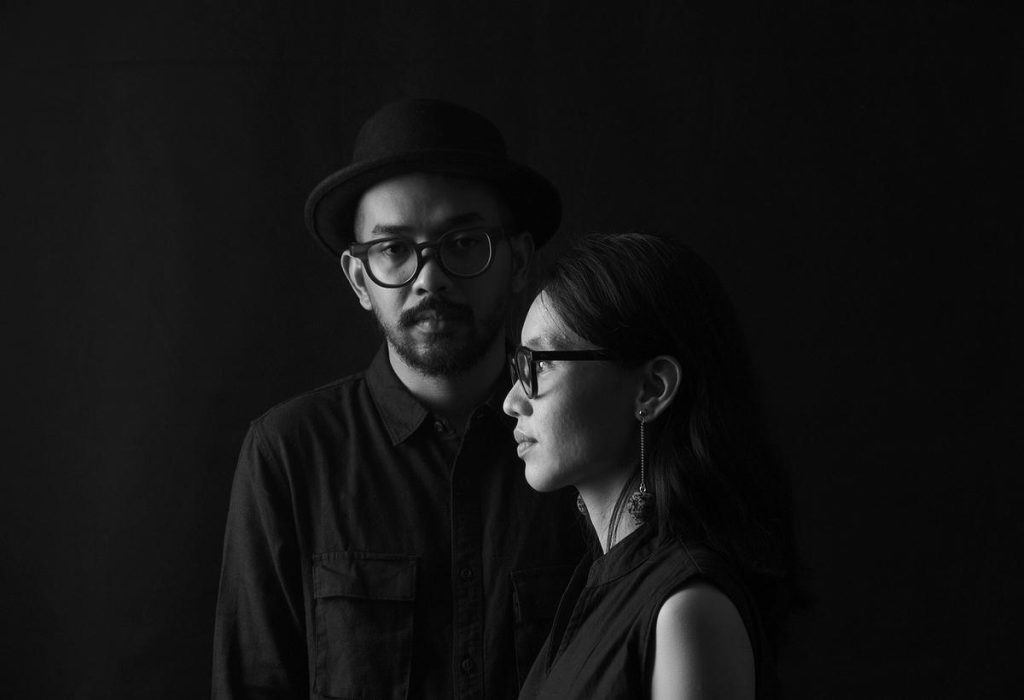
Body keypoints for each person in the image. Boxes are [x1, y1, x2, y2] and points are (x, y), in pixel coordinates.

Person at [212, 99, 584, 700]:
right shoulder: (288, 455)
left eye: (464, 243)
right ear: (360, 279)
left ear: (518, 261)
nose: (430, 279)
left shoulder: (586, 441)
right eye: (393, 250)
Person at [503, 232, 800, 699]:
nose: (512, 401)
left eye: (539, 365)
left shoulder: (685, 609)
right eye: (519, 366)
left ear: (652, 389)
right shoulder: (598, 585)